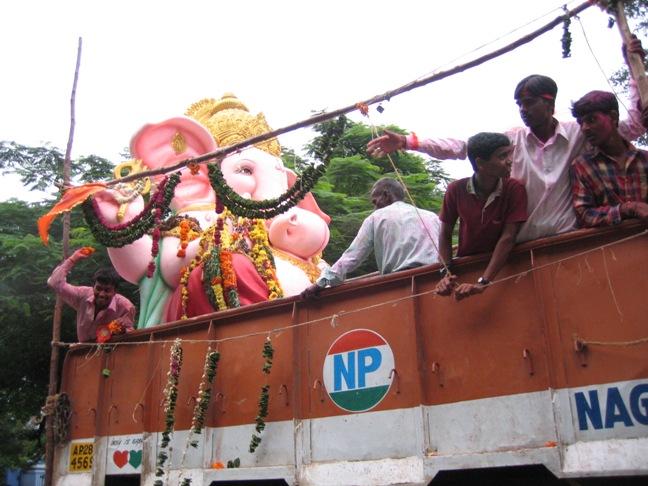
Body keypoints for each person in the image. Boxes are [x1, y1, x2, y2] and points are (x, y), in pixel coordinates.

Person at [367, 40, 646, 243]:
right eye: (519, 104)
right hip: (522, 247)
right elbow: (463, 147)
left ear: (550, 104)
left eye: (529, 102)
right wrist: (408, 142)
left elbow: (632, 126)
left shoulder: (579, 134)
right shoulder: (512, 141)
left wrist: (635, 68)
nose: (523, 109)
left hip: (570, 240)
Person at [301, 178, 441, 298]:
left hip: (399, 286)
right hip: (437, 283)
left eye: (375, 201)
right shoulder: (432, 217)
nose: (375, 208)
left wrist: (321, 283)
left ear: (386, 195)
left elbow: (352, 257)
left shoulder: (376, 218)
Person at [435, 132, 528, 300]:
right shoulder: (455, 190)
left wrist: (484, 282)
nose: (509, 160)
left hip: (504, 268)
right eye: (502, 156)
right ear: (480, 163)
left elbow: (508, 237)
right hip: (467, 266)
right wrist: (445, 273)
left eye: (509, 154)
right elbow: (445, 234)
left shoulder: (515, 189)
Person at [571, 90, 648, 227]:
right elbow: (584, 215)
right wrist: (628, 208)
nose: (585, 128)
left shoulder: (644, 159)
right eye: (581, 123)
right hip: (612, 240)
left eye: (591, 120)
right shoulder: (583, 166)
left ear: (613, 117)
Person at [47, 248, 136, 342]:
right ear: (93, 286)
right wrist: (72, 259)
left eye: (107, 290)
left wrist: (122, 330)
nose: (102, 294)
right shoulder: (82, 295)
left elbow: (130, 335)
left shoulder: (125, 307)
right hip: (83, 348)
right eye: (98, 288)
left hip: (111, 348)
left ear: (115, 291)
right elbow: (54, 283)